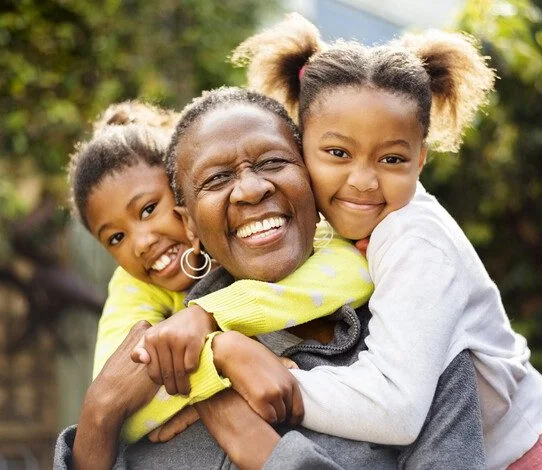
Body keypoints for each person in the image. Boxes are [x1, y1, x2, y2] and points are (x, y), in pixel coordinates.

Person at [54, 87, 487, 469]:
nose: (250, 189)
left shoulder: (417, 346)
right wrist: (101, 412)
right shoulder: (162, 365)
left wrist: (266, 453)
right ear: (189, 224)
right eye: (217, 178)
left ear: (313, 181)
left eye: (274, 162)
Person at [231, 13, 542, 469]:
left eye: (392, 158)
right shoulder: (331, 229)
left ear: (420, 160)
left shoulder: (414, 239)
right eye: (338, 153)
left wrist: (286, 383)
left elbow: (397, 409)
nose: (363, 181)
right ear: (300, 146)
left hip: (534, 459)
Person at [66, 100, 372, 443]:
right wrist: (219, 366)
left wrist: (209, 317)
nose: (140, 243)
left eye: (150, 209)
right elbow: (115, 393)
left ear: (185, 190)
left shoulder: (290, 233)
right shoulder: (133, 286)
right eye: (116, 237)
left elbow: (355, 271)